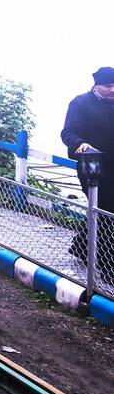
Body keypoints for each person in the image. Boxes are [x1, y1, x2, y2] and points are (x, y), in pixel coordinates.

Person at [61, 66, 114, 277]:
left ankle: (81, 247)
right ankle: (107, 267)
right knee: (106, 211)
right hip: (93, 166)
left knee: (103, 210)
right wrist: (80, 143)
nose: (113, 90)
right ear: (96, 86)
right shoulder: (80, 103)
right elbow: (68, 132)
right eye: (108, 86)